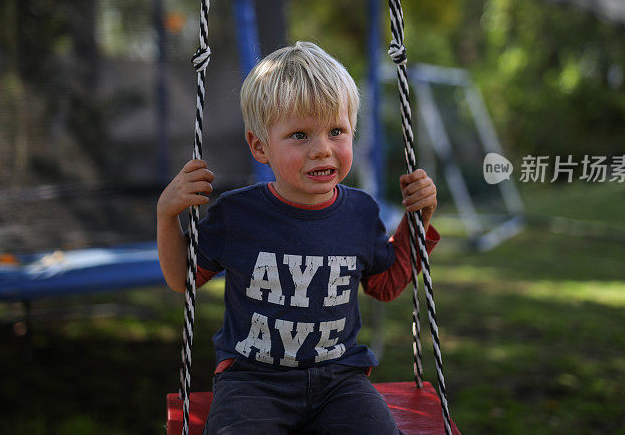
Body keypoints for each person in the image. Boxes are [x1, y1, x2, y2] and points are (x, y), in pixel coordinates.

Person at [157, 42, 441, 434]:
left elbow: (386, 284)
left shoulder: (361, 213)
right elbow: (181, 278)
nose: (322, 149)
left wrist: (417, 223)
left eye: (336, 131)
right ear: (260, 146)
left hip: (341, 381)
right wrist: (167, 215)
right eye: (300, 135)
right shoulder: (237, 215)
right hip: (253, 382)